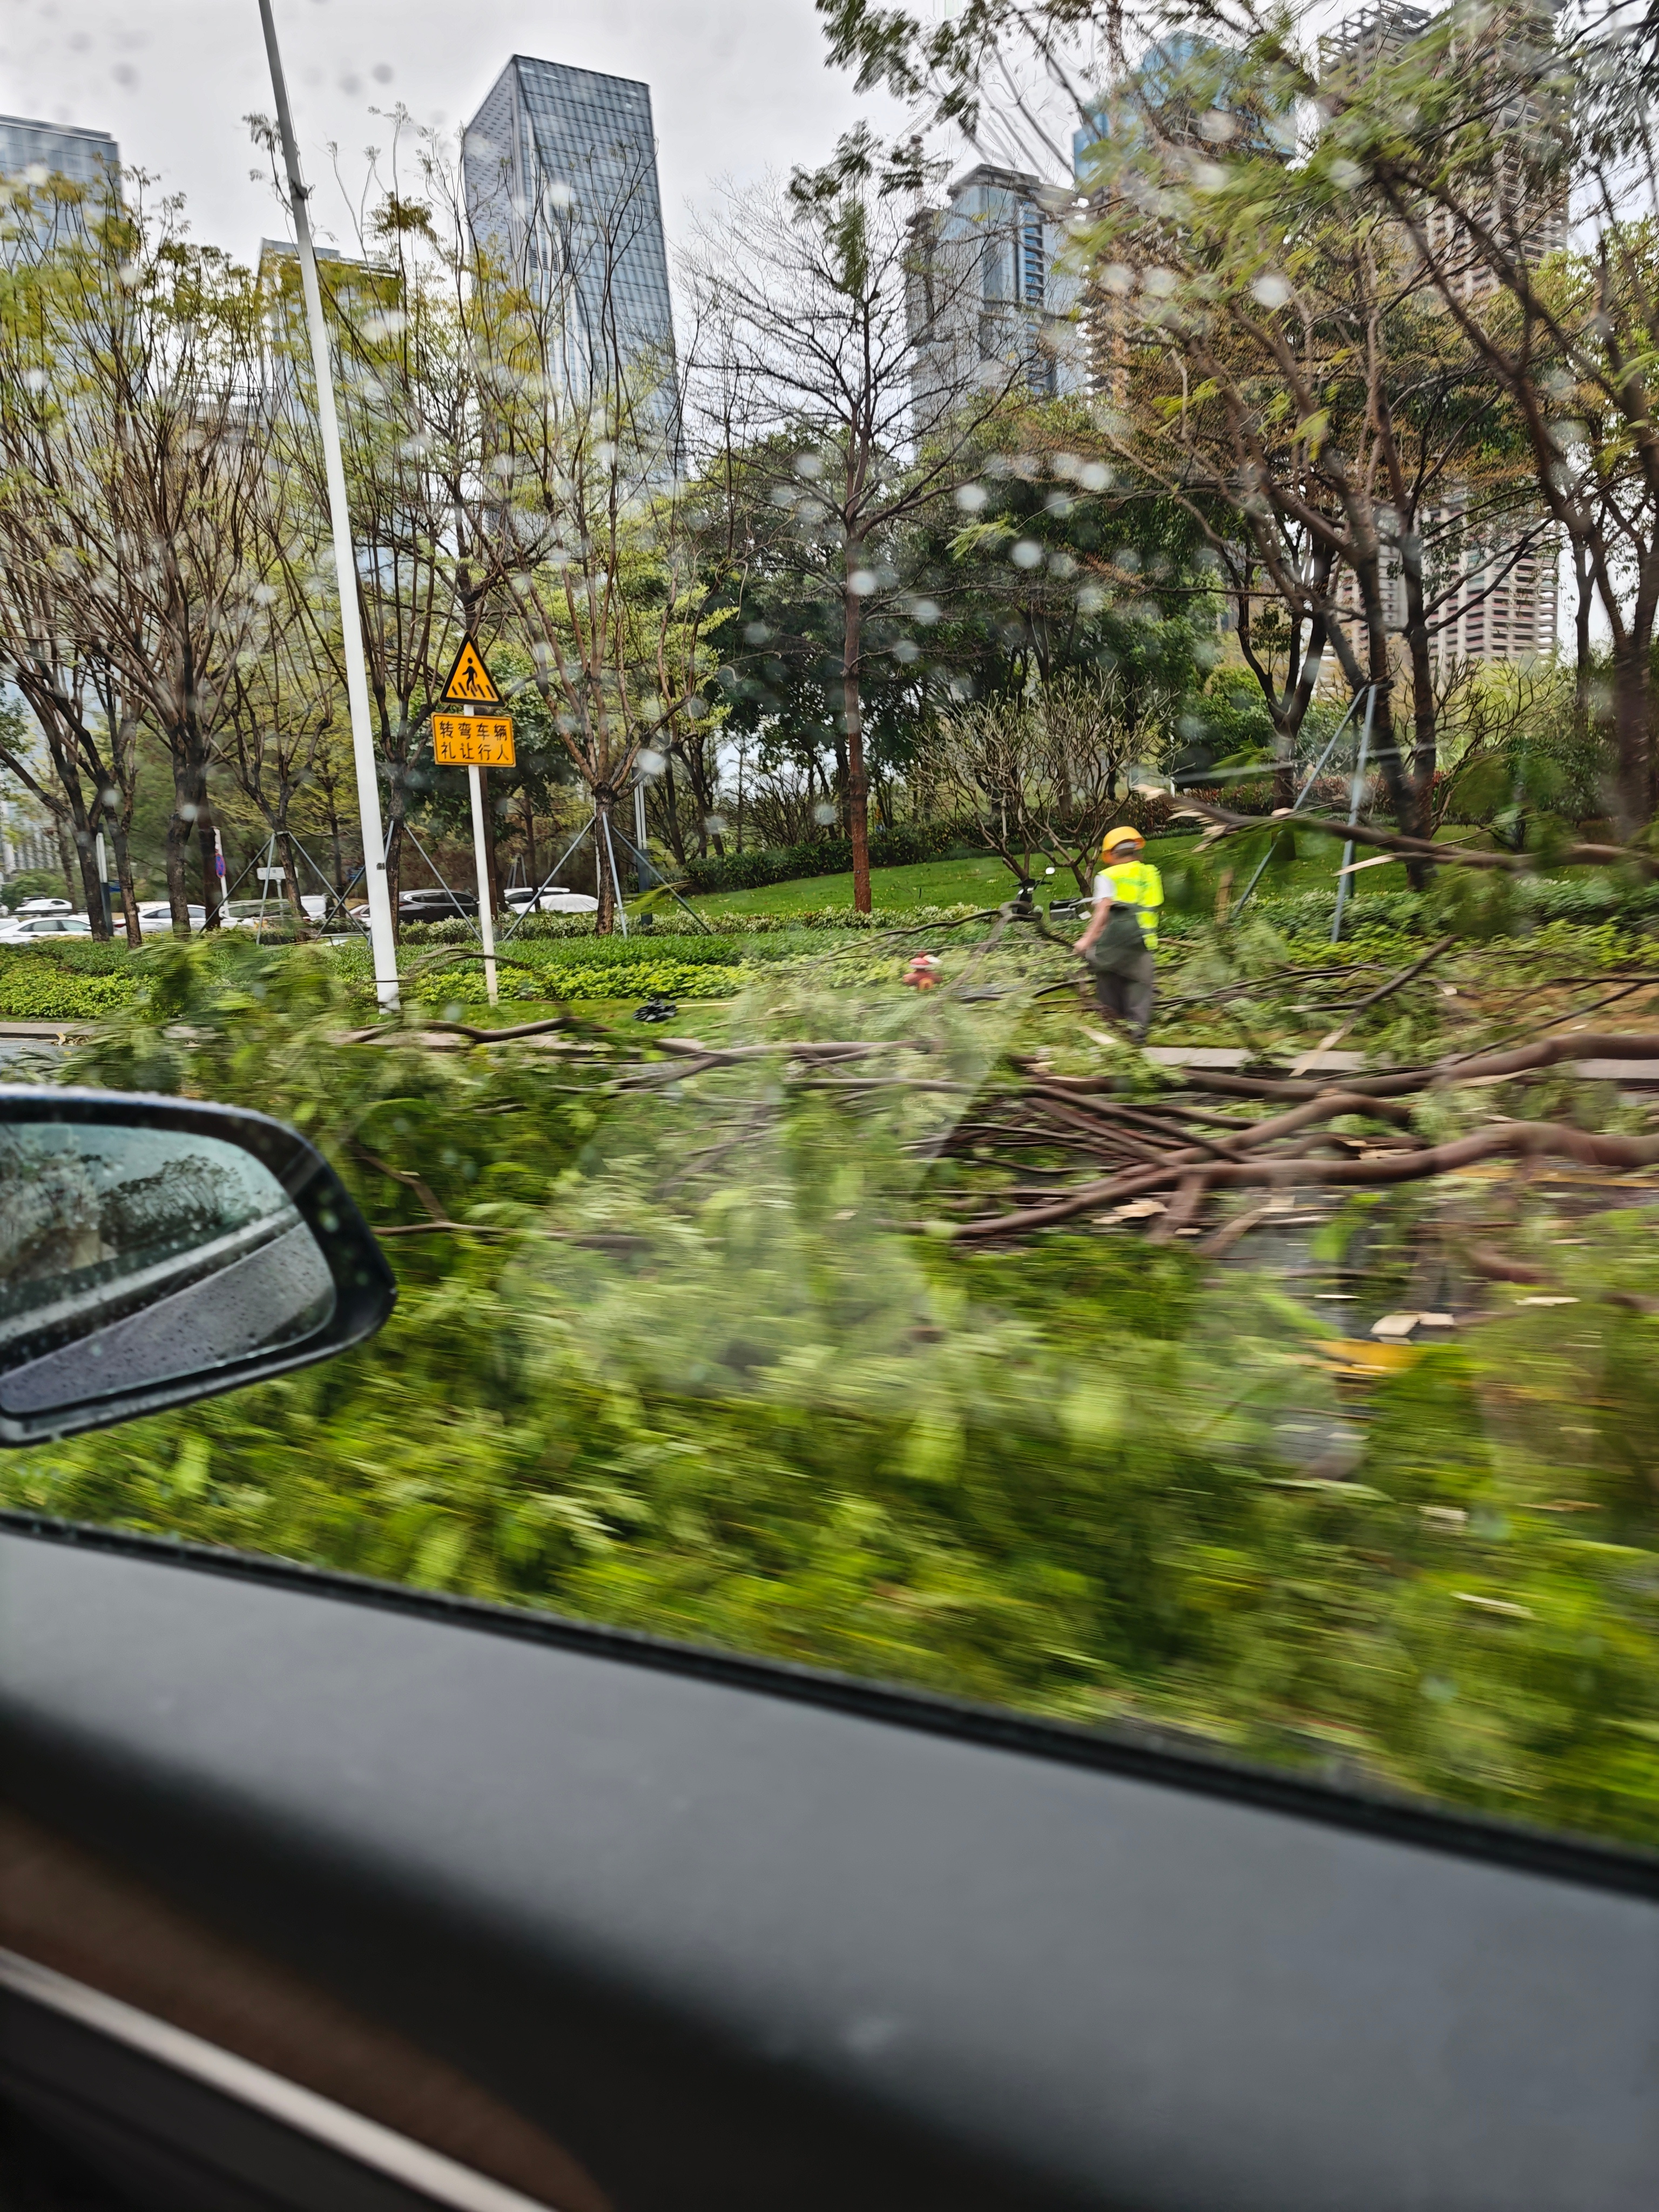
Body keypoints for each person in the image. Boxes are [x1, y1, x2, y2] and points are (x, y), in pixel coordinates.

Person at [1073, 826, 1164, 1042]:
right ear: (1136, 851)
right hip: (1142, 948)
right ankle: (1136, 1051)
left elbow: (1103, 911)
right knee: (1139, 1006)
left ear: (1111, 854)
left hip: (1111, 950)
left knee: (1110, 1006)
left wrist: (1085, 942)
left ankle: (1116, 1049)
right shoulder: (1151, 874)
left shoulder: (1107, 876)